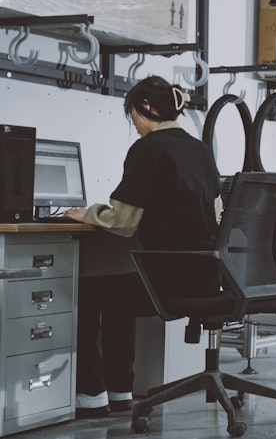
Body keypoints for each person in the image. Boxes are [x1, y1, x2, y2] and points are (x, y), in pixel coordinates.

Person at [66, 76, 221, 417]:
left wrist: (86, 213)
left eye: (132, 114)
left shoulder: (148, 148)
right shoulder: (199, 149)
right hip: (208, 276)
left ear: (146, 108)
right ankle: (121, 392)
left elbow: (123, 222)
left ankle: (91, 396)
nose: (133, 124)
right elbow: (214, 211)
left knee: (87, 291)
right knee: (120, 293)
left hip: (168, 280)